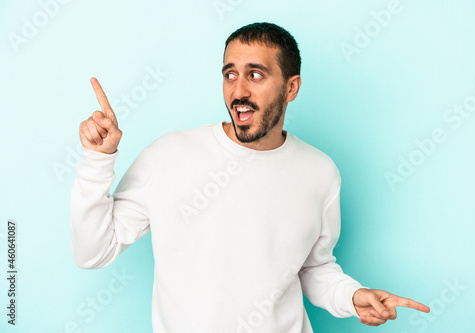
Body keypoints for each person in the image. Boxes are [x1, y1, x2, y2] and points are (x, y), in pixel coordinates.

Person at [70, 22, 430, 332]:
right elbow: (93, 251)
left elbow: (313, 268)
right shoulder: (168, 155)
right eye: (230, 74)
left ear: (291, 88)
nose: (238, 91)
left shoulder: (320, 172)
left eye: (255, 75)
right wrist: (97, 161)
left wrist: (351, 296)